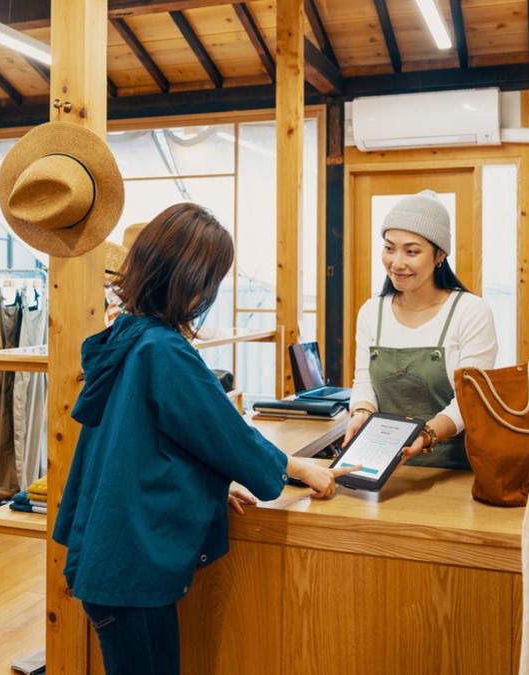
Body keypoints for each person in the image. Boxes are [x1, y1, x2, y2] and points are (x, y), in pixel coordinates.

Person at [52, 202, 358, 675]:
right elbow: (226, 436)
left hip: (107, 555)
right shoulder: (163, 350)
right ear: (192, 283)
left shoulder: (129, 336)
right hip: (130, 567)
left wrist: (219, 483)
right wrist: (299, 468)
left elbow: (160, 444)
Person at [344, 190, 498, 471]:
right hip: (383, 466)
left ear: (440, 254)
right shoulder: (371, 312)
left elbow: (470, 401)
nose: (397, 262)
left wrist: (427, 435)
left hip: (454, 470)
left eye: (411, 251)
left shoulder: (470, 312)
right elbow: (364, 380)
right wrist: (362, 412)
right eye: (389, 248)